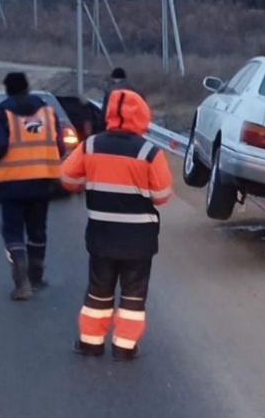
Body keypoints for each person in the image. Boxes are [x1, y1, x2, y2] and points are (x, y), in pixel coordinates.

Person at [60, 89, 173, 361]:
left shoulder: (90, 145)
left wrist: (89, 181)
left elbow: (67, 179)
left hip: (101, 235)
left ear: (109, 114)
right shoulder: (149, 152)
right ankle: (124, 346)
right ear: (143, 116)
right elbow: (162, 196)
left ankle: (91, 342)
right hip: (139, 239)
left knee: (98, 289)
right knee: (134, 294)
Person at [0, 72, 65, 300]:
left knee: (12, 232)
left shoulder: (2, 113)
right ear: (27, 88)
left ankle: (22, 283)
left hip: (12, 182)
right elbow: (59, 147)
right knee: (37, 230)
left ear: (7, 90)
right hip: (42, 182)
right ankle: (37, 277)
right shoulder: (47, 112)